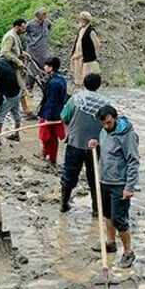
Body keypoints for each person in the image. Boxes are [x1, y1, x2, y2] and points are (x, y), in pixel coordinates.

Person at [88, 105, 139, 268]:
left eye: (109, 123)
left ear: (115, 118)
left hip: (120, 183)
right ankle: (110, 243)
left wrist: (129, 187)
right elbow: (107, 149)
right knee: (107, 215)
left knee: (120, 219)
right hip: (104, 180)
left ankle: (128, 252)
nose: (106, 127)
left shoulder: (127, 135)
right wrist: (96, 144)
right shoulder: (104, 131)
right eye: (103, 124)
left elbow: (133, 161)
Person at [59, 73, 109, 214]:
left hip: (75, 143)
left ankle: (64, 203)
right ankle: (96, 208)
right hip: (95, 146)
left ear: (84, 83)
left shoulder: (75, 99)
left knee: (69, 174)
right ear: (99, 85)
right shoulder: (105, 104)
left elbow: (64, 117)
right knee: (94, 178)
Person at [37, 57, 68, 165]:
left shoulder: (54, 83)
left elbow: (51, 101)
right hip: (57, 112)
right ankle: (46, 154)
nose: (44, 67)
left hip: (51, 114)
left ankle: (51, 158)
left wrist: (47, 118)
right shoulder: (61, 79)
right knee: (50, 137)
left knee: (48, 137)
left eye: (46, 66)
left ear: (51, 68)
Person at [0, 18, 32, 116]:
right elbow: (5, 52)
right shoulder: (10, 36)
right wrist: (18, 61)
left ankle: (26, 110)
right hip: (7, 66)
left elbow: (15, 50)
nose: (24, 30)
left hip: (13, 66)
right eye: (22, 28)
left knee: (20, 86)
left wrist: (24, 54)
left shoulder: (16, 35)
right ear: (17, 27)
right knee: (0, 89)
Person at [24, 8, 53, 96]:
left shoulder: (47, 23)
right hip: (32, 51)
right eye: (42, 16)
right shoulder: (30, 24)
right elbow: (22, 33)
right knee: (31, 71)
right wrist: (29, 40)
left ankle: (45, 89)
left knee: (45, 70)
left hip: (44, 51)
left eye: (44, 15)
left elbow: (49, 28)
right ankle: (29, 89)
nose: (44, 17)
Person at [70, 12, 100, 88]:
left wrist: (86, 54)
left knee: (86, 77)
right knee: (78, 77)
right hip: (78, 57)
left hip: (87, 58)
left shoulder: (91, 31)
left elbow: (96, 45)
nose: (81, 21)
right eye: (80, 19)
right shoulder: (81, 30)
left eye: (83, 19)